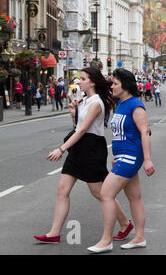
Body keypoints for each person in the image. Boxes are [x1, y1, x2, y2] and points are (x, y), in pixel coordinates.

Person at [34, 67, 132, 244]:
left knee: (99, 192)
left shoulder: (96, 103)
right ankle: (54, 233)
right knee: (62, 190)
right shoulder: (84, 100)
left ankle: (125, 223)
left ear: (92, 82)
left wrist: (61, 149)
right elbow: (78, 126)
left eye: (83, 79)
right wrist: (74, 114)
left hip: (91, 148)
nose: (79, 81)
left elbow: (82, 131)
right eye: (80, 78)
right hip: (79, 147)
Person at [87, 68, 155, 253]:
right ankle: (139, 237)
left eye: (115, 83)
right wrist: (116, 157)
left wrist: (147, 159)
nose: (112, 87)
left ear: (125, 85)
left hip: (131, 156)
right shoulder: (121, 104)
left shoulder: (136, 105)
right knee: (134, 197)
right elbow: (119, 134)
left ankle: (106, 240)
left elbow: (144, 132)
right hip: (122, 156)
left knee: (106, 194)